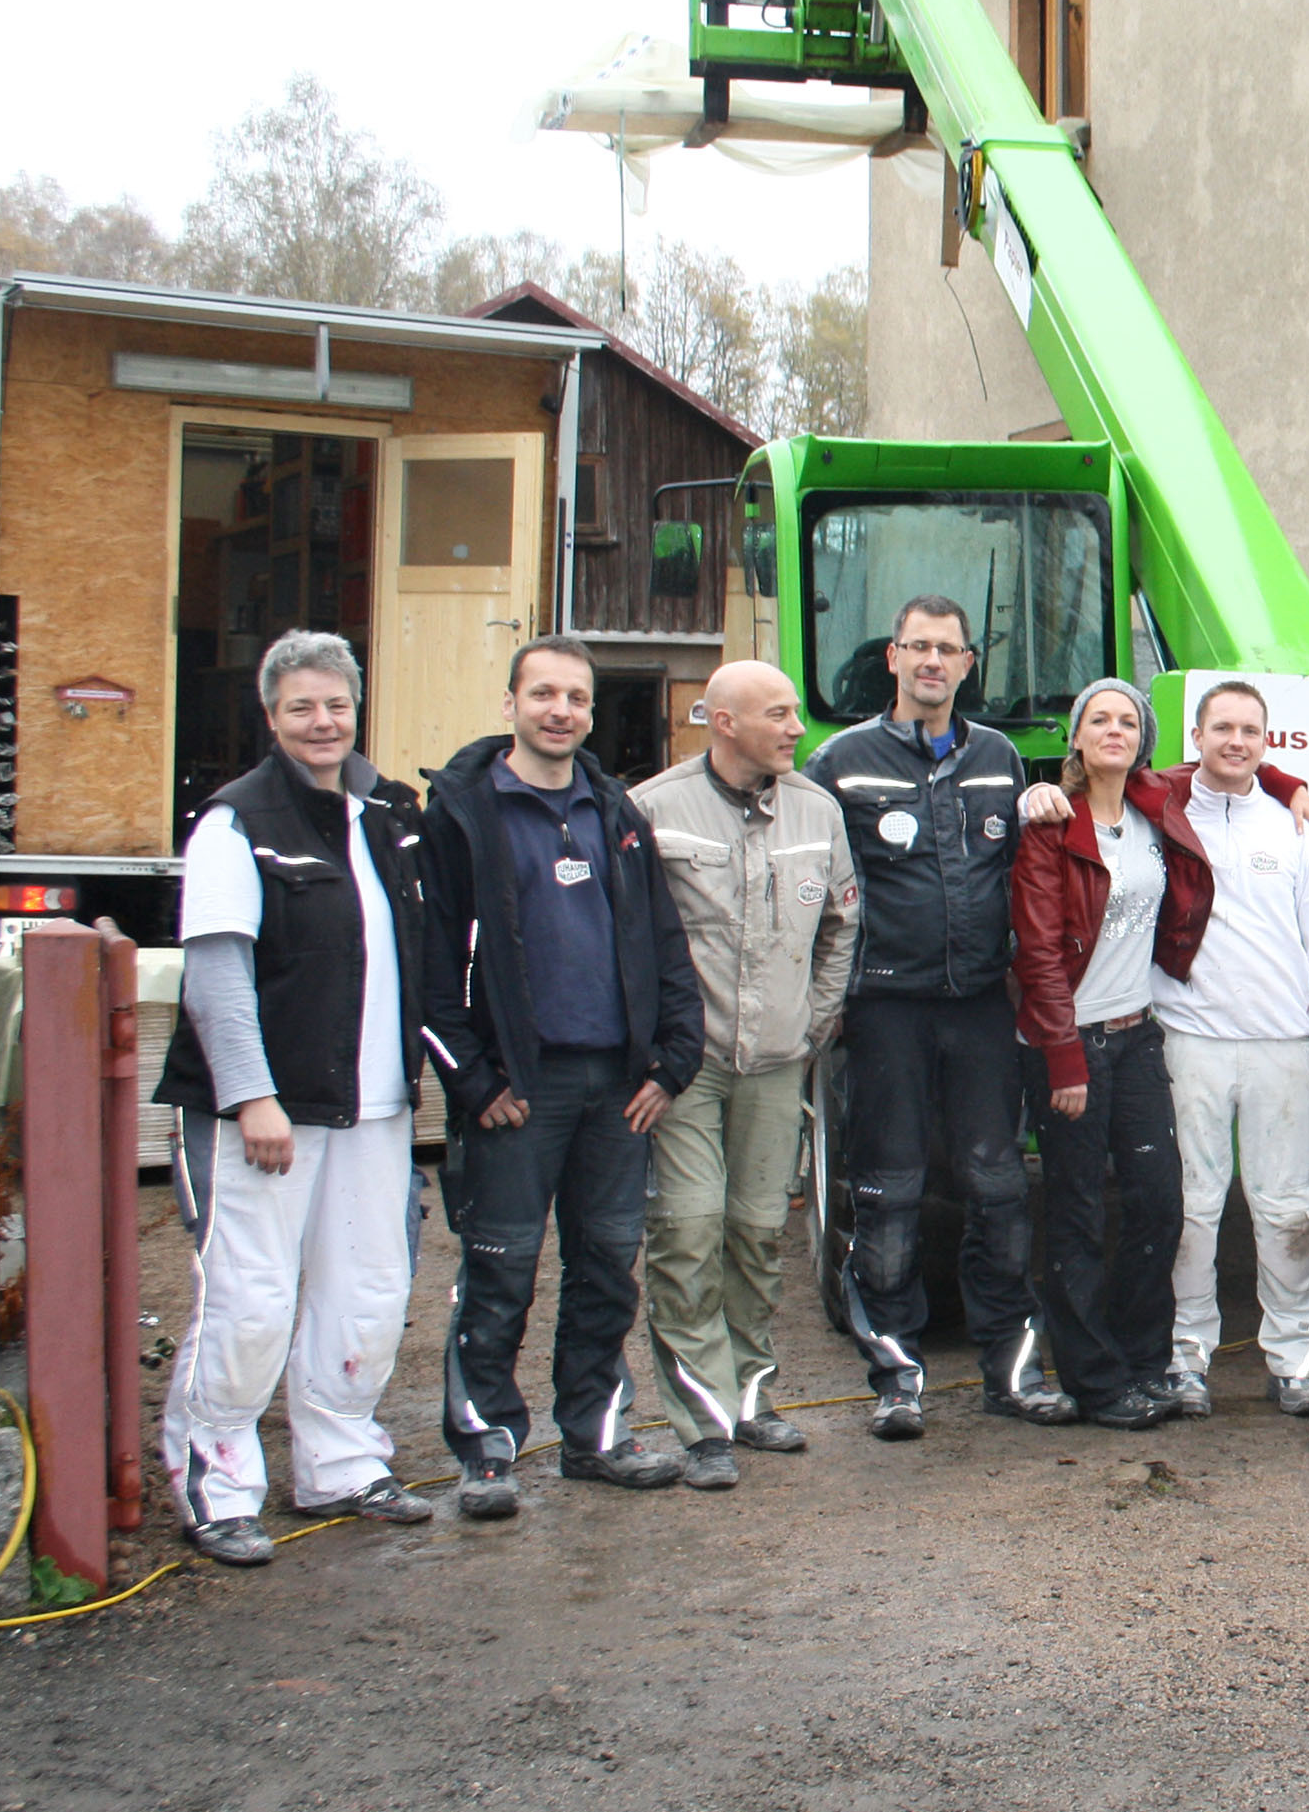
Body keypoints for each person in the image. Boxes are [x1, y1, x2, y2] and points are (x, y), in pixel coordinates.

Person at [153, 631, 435, 1564]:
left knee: (367, 1291)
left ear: (358, 710)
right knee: (251, 1300)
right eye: (302, 707)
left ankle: (340, 1463)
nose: (324, 722)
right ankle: (220, 1482)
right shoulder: (237, 823)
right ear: (271, 717)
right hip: (268, 1115)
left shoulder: (383, 816)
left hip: (372, 1105)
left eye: (337, 705)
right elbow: (218, 975)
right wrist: (250, 1097)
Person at [422, 635, 705, 1515]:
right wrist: (472, 1081)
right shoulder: (464, 814)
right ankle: (488, 1449)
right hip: (517, 1092)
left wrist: (671, 1060)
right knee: (502, 1267)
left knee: (606, 1266)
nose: (560, 711)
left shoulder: (615, 813)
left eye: (576, 698)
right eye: (543, 693)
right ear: (509, 702)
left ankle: (595, 1433)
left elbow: (665, 944)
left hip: (617, 1089)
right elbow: (431, 964)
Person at [802, 595, 1046, 1438]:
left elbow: (1021, 874)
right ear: (894, 658)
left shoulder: (999, 758)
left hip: (978, 1005)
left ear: (968, 663)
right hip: (885, 1009)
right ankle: (896, 1378)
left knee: (1001, 1187)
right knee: (889, 1193)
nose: (933, 661)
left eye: (948, 648)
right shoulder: (841, 761)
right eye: (918, 646)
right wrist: (824, 998)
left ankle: (1011, 1374)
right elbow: (820, 892)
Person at [626, 659, 860, 1490]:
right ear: (723, 722)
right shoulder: (654, 811)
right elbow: (630, 945)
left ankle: (753, 1397)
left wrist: (814, 1021)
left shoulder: (815, 809)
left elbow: (840, 924)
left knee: (757, 1235)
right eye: (779, 713)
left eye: (797, 710)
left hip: (775, 1063)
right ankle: (702, 1422)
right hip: (685, 1070)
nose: (797, 727)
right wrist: (653, 1049)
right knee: (687, 1232)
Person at [1009, 678, 1226, 1432]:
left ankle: (1141, 1361)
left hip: (1138, 1036)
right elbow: (1037, 951)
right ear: (1074, 736)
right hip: (1069, 1042)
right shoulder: (1049, 822)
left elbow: (1240, 761)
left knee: (1158, 1202)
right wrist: (1063, 1055)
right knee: (1073, 1213)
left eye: (1126, 720)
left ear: (1143, 736)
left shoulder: (1153, 802)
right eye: (1097, 718)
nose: (1112, 729)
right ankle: (1095, 1381)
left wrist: (1293, 789)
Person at [1159, 679, 1309, 1416]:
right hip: (1190, 1040)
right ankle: (1185, 1360)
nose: (1235, 741)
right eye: (1222, 728)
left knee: (1290, 1208)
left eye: (1250, 730)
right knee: (1192, 1208)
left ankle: (1298, 1360)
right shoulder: (1164, 812)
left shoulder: (1294, 828)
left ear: (1265, 742)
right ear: (1197, 735)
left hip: (1282, 1045)